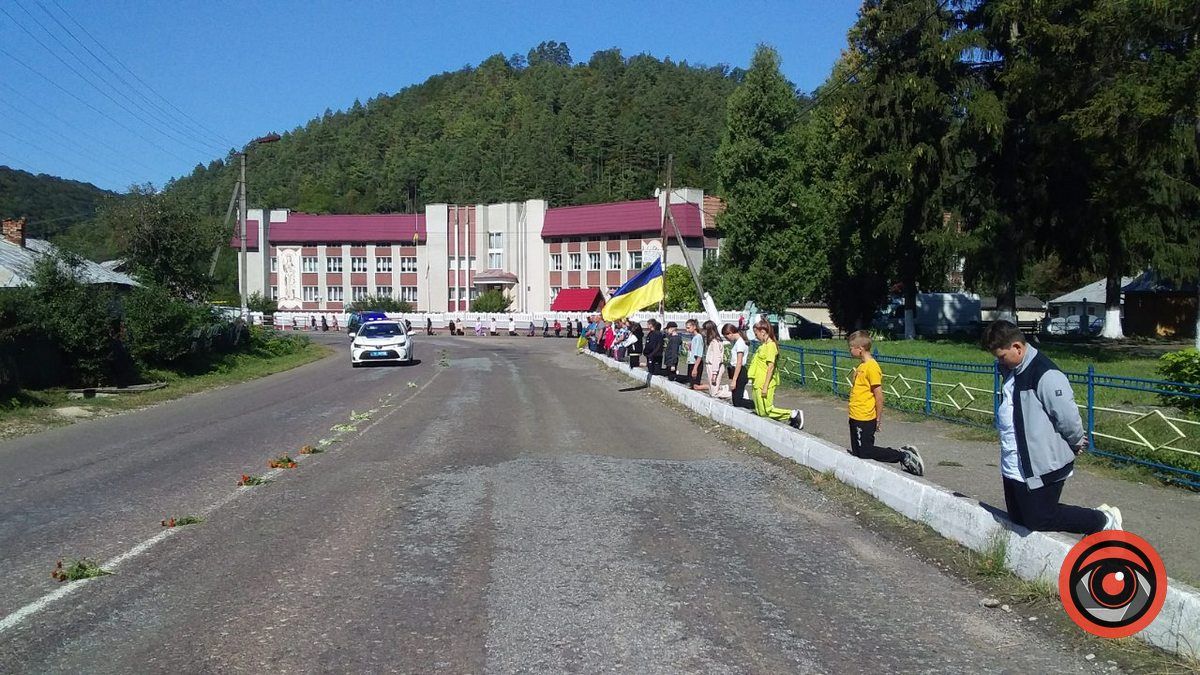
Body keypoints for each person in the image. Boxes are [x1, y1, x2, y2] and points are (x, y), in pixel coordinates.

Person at [982, 320, 1121, 533]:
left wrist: (1076, 441)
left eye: (1002, 356)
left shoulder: (1045, 374)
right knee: (1019, 517)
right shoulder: (1013, 371)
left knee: (1040, 519)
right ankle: (1098, 519)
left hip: (1042, 463)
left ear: (1017, 348)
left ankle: (1102, 520)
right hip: (1015, 462)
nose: (1000, 362)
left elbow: (1067, 416)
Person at [846, 330, 924, 476]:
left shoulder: (872, 367)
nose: (850, 351)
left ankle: (903, 456)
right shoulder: (861, 366)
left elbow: (879, 396)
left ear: (860, 349)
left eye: (851, 348)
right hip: (855, 415)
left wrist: (878, 419)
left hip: (865, 417)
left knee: (865, 451)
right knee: (858, 452)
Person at [747, 319, 803, 427]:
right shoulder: (762, 346)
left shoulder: (771, 346)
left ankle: (793, 414)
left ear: (763, 331)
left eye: (756, 333)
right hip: (757, 381)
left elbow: (770, 367)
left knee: (766, 410)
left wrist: (765, 386)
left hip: (764, 382)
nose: (756, 336)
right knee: (760, 410)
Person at [722, 324, 754, 410]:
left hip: (739, 372)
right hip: (735, 370)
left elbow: (739, 363)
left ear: (730, 333)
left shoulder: (740, 343)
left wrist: (734, 380)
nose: (727, 339)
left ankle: (756, 405)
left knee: (737, 401)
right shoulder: (736, 342)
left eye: (727, 337)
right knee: (736, 399)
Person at [703, 321, 731, 398]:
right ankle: (723, 388)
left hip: (714, 366)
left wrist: (714, 373)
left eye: (705, 330)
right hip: (711, 365)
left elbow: (716, 357)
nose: (704, 332)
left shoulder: (715, 342)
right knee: (712, 390)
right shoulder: (713, 341)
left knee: (714, 393)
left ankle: (732, 394)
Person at [686, 319, 705, 389]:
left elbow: (699, 355)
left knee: (695, 385)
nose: (687, 330)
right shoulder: (694, 337)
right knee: (691, 383)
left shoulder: (698, 337)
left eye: (688, 328)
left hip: (696, 363)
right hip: (691, 362)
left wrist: (695, 368)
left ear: (694, 327)